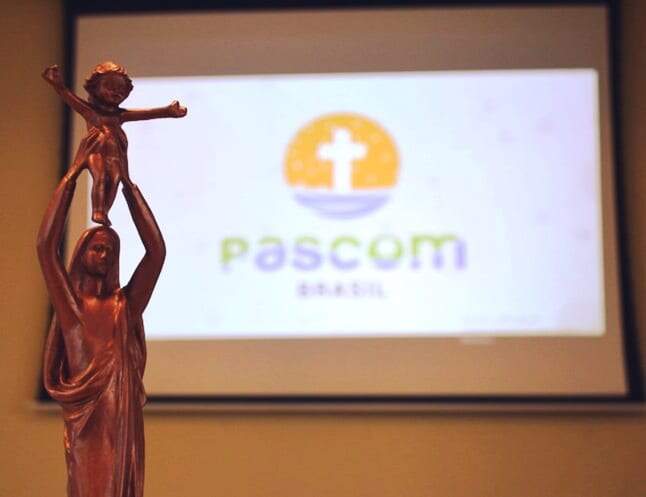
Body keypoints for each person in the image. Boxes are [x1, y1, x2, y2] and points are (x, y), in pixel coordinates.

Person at [37, 156, 165, 497]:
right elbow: (46, 248)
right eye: (97, 249)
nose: (105, 255)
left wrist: (128, 186)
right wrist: (73, 175)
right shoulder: (73, 309)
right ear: (82, 253)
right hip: (86, 425)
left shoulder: (124, 307)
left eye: (110, 250)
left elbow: (156, 253)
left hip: (121, 423)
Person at [42, 61, 187, 225]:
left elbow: (146, 114)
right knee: (100, 176)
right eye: (110, 87)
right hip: (95, 151)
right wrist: (57, 84)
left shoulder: (119, 115)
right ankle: (97, 211)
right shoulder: (90, 111)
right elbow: (69, 97)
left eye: (121, 89)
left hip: (115, 155)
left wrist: (168, 111)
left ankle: (104, 211)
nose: (116, 92)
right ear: (95, 88)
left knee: (115, 179)